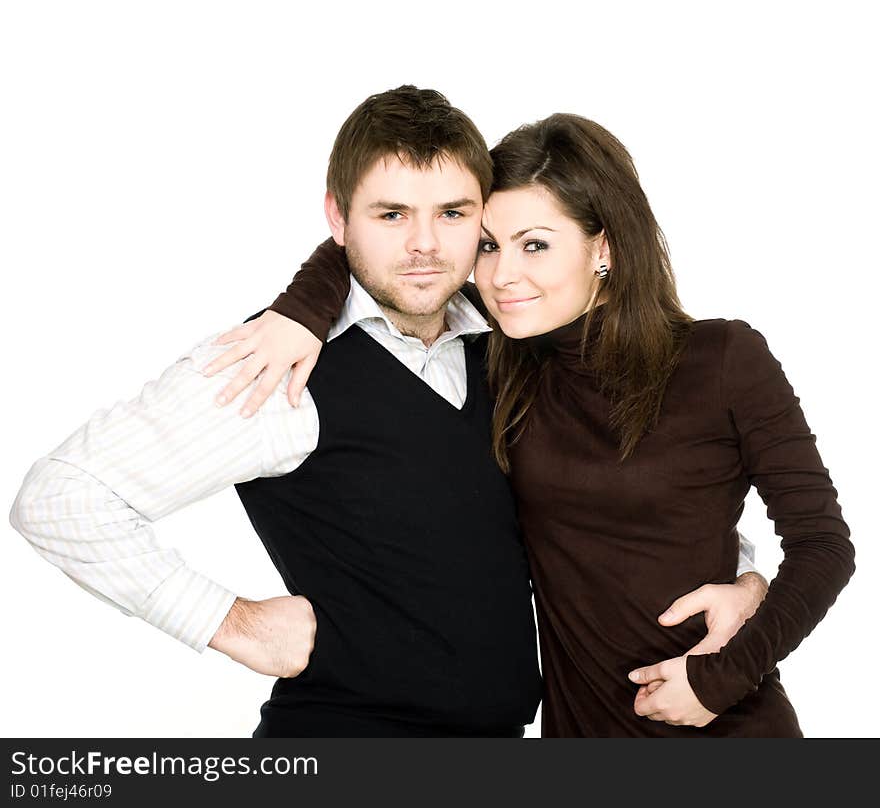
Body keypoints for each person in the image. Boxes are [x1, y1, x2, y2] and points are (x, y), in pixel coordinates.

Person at [10, 87, 764, 738]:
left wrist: (745, 578)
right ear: (338, 219)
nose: (425, 246)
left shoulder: (503, 341)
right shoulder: (277, 364)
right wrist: (232, 624)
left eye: (453, 213)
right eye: (392, 213)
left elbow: (620, 494)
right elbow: (62, 499)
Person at [217, 107, 855, 736]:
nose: (501, 275)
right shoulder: (503, 361)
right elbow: (392, 255)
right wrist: (300, 311)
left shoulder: (722, 359)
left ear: (602, 246)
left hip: (723, 725)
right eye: (489, 246)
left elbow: (824, 544)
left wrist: (728, 665)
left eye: (536, 246)